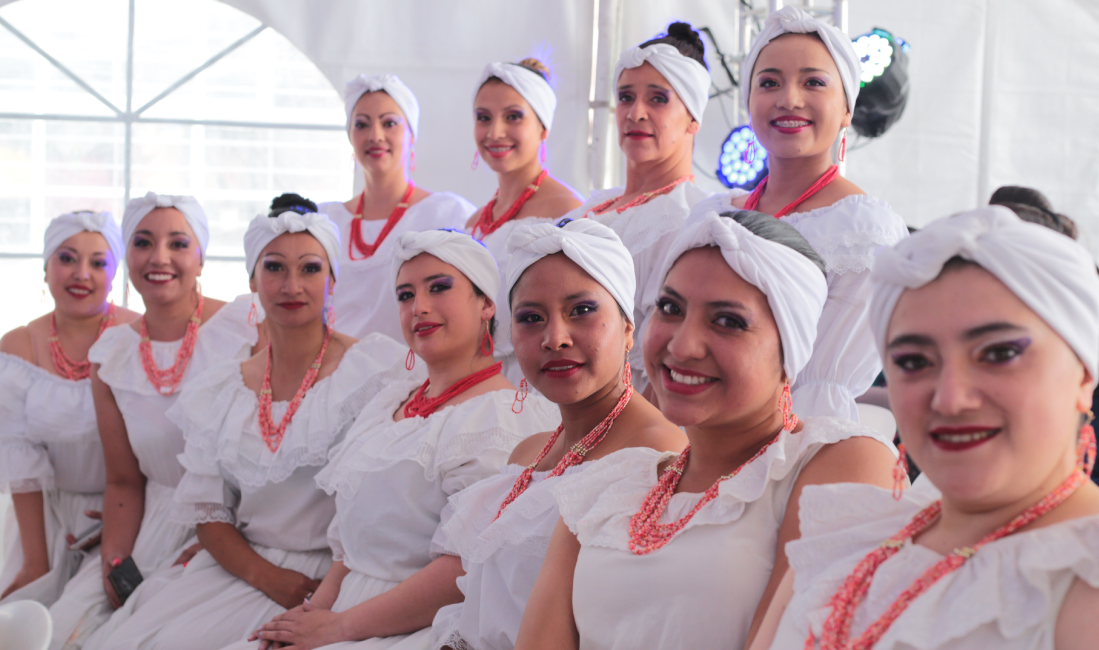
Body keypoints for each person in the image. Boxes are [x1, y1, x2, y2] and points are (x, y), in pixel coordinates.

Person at [515, 211, 897, 650]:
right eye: (671, 308)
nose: (681, 345)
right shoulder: (606, 486)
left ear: (790, 348)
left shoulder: (836, 461)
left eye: (728, 321)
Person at [753, 206, 1099, 650]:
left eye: (998, 354)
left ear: (1084, 372)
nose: (950, 398)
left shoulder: (1084, 575)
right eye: (914, 362)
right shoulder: (848, 536)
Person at [78, 195, 410, 650]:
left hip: (341, 574)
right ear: (252, 279)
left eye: (310, 268)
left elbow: (383, 509)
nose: (292, 284)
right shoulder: (222, 390)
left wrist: (322, 593)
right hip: (247, 569)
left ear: (333, 279)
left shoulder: (375, 371)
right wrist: (266, 576)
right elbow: (210, 515)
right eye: (274, 268)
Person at [239, 229, 557, 649]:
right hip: (345, 612)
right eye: (406, 295)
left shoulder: (501, 418)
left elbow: (464, 568)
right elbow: (347, 546)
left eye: (439, 287)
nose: (419, 307)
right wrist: (314, 614)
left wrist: (339, 628)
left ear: (486, 303)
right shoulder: (390, 399)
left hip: (422, 625)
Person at [429, 218, 687, 650]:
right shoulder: (528, 450)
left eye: (581, 311)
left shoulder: (658, 456)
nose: (555, 338)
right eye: (531, 318)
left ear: (628, 327)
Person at [47, 193, 264, 650]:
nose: (159, 257)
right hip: (150, 525)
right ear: (127, 256)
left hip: (238, 526)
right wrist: (115, 557)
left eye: (178, 243)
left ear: (201, 257)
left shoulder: (246, 329)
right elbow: (125, 481)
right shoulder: (110, 356)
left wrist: (221, 542)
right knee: (64, 626)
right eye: (143, 242)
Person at [689, 6, 909, 421]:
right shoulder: (710, 212)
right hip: (696, 431)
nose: (789, 99)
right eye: (769, 82)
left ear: (847, 109)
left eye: (813, 82)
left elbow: (824, 382)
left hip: (794, 440)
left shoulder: (864, 231)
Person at [0, 212, 138, 607]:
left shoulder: (137, 335)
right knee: (24, 617)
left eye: (98, 263)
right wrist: (36, 562)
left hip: (132, 514)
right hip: (46, 519)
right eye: (67, 258)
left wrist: (124, 524)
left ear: (115, 273)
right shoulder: (19, 346)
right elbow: (21, 463)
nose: (81, 274)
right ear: (46, 268)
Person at [567, 22, 715, 386]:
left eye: (658, 99)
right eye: (626, 97)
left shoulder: (689, 216)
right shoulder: (593, 206)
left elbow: (663, 350)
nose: (636, 113)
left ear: (693, 118)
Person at [320, 74, 475, 344]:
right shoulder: (325, 220)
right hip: (333, 373)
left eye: (389, 123)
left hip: (414, 373)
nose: (375, 136)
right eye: (362, 124)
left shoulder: (448, 214)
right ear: (350, 136)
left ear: (411, 134)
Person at [465, 57, 582, 382]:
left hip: (534, 379)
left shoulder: (567, 210)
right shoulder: (474, 220)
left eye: (513, 116)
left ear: (543, 127)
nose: (494, 132)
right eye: (483, 117)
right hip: (477, 377)